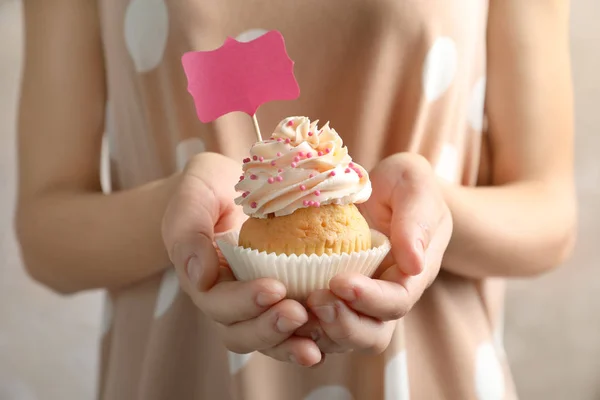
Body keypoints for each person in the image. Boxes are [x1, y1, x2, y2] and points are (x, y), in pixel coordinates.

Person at [15, 0, 576, 399]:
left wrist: (432, 213)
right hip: (181, 377)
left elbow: (551, 217)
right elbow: (45, 235)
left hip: (434, 378)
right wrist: (175, 212)